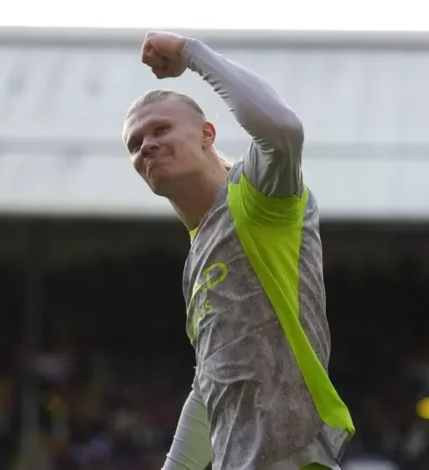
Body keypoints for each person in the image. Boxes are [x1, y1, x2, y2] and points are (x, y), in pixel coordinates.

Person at [122, 31, 355, 470]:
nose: (146, 145)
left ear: (207, 134)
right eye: (135, 144)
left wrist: (191, 53)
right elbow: (210, 384)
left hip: (298, 457)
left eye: (161, 129)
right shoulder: (195, 262)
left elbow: (283, 129)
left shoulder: (257, 197)